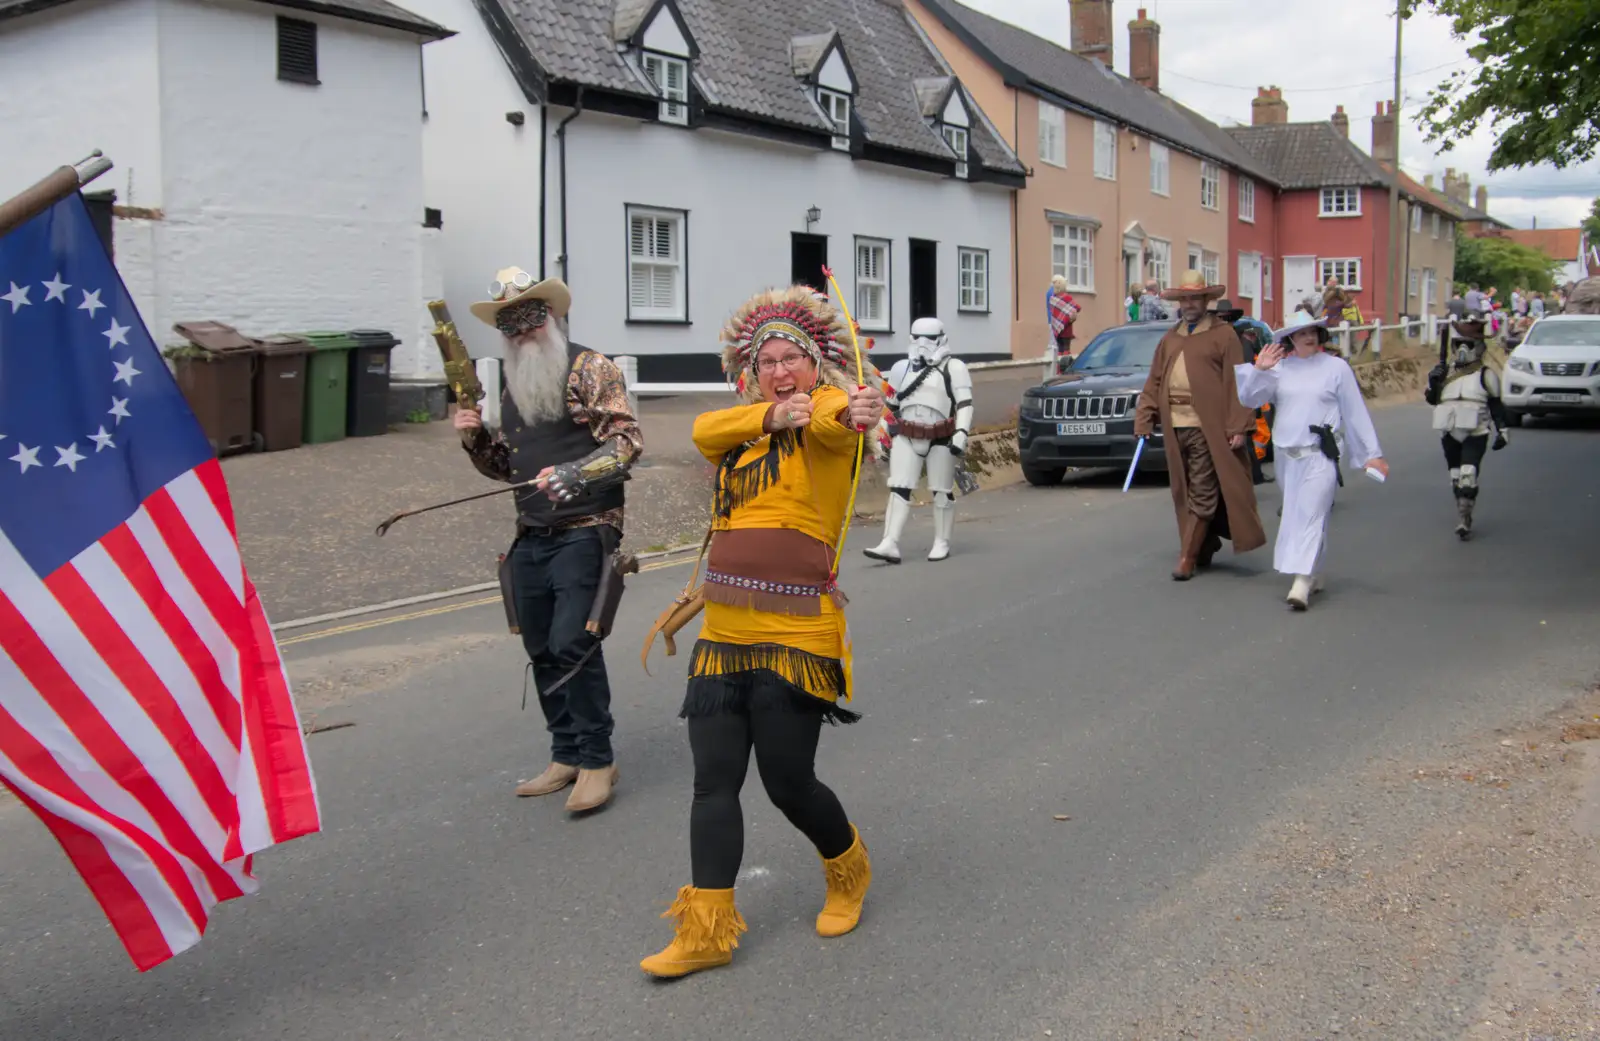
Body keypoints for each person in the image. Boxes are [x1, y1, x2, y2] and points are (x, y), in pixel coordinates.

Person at [640, 285, 886, 980]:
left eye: (794, 359)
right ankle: (706, 930)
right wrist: (770, 415)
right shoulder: (744, 433)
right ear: (752, 374)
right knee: (711, 782)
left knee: (787, 783)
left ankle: (849, 867)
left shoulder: (830, 428)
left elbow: (844, 414)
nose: (782, 370)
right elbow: (702, 431)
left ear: (817, 366)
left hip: (796, 638)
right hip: (721, 636)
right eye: (768, 360)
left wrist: (853, 406)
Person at [456, 267, 642, 813]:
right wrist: (474, 440)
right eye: (509, 325)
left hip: (587, 528)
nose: (520, 332)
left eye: (530, 319)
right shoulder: (511, 384)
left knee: (572, 641)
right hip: (532, 531)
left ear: (552, 317)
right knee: (538, 643)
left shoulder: (590, 367)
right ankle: (565, 752)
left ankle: (596, 758)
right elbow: (505, 468)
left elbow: (627, 442)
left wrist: (577, 474)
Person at [1234, 312, 1388, 609]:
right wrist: (1260, 370)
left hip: (1320, 455)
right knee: (1297, 513)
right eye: (1301, 332)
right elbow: (1250, 398)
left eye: (1313, 331)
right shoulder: (1280, 369)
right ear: (1290, 338)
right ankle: (1315, 571)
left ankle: (1301, 582)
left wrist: (1372, 455)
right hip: (1287, 457)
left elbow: (1354, 412)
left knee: (1312, 512)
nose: (1309, 336)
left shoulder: (1336, 368)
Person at [1133, 269, 1267, 580]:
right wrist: (1144, 418)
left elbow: (1238, 384)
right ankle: (1204, 545)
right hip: (1173, 426)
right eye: (1185, 298)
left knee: (1204, 490)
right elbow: (1154, 381)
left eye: (1196, 298)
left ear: (1207, 301)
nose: (1190, 303)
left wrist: (1237, 426)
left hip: (1207, 427)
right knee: (1184, 490)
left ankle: (1187, 558)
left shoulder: (1223, 336)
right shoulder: (1170, 338)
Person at [864, 317, 973, 563]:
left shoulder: (954, 367)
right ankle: (889, 542)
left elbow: (965, 403)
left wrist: (961, 433)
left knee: (941, 491)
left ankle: (942, 540)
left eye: (930, 338)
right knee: (899, 487)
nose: (923, 343)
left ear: (941, 339)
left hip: (941, 436)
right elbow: (890, 406)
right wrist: (881, 434)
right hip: (906, 433)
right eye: (918, 337)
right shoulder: (901, 368)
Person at [1425, 310, 1509, 540]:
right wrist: (1434, 381)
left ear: (1479, 347)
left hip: (1476, 430)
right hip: (1449, 430)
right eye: (1459, 343)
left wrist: (1503, 430)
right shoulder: (1445, 373)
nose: (1463, 349)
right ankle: (1464, 514)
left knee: (1468, 474)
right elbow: (1432, 399)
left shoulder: (1485, 375)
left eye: (1468, 343)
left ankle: (1465, 517)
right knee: (1455, 476)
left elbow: (1496, 404)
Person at [1047, 275, 1080, 368]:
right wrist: (1071, 318)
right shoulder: (1067, 298)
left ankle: (1058, 368)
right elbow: (1075, 309)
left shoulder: (1053, 299)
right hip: (1067, 329)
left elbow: (1054, 314)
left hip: (1057, 329)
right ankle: (1066, 368)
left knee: (1060, 349)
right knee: (1066, 349)